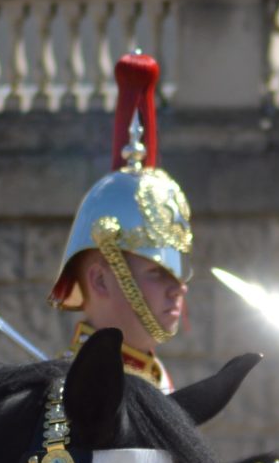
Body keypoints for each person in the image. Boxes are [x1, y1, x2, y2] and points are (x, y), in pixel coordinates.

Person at [49, 51, 194, 390]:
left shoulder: (157, 380)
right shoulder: (70, 393)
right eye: (159, 272)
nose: (179, 288)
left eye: (175, 270)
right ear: (100, 280)